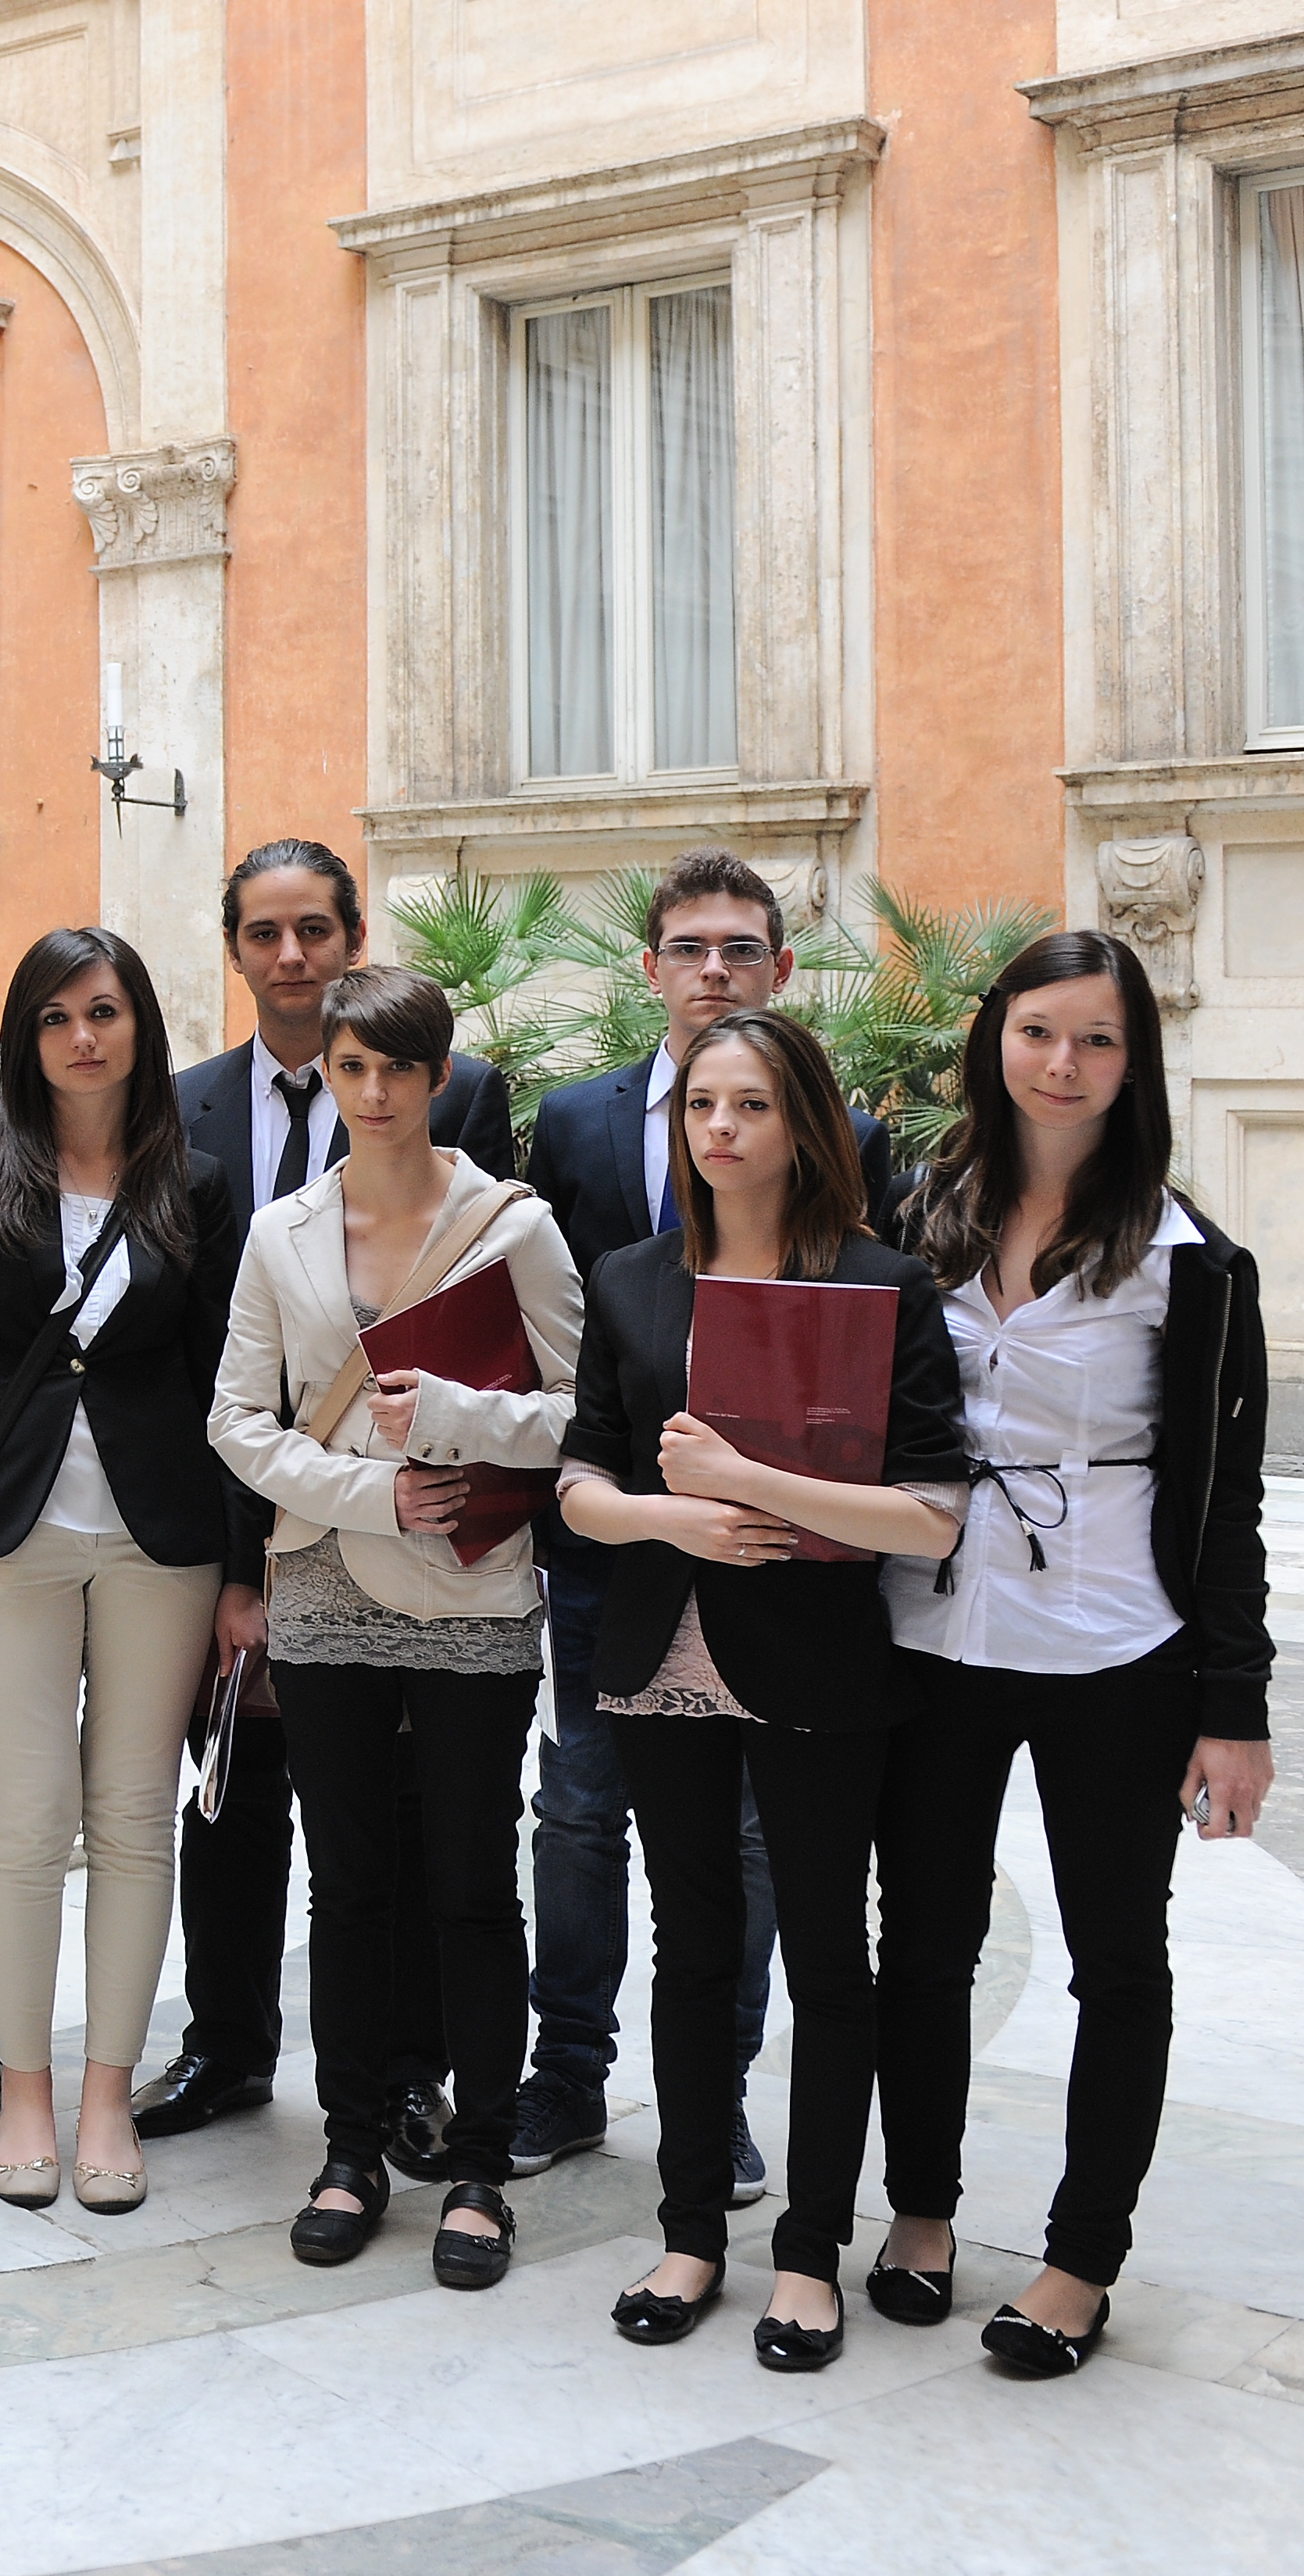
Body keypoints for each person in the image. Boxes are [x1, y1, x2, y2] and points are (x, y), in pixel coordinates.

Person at [871, 932, 1276, 2380]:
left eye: (1097, 1040)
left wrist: (1236, 1707)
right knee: (920, 1945)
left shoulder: (1192, 1261)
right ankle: (920, 2213)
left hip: (1122, 1640)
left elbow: (1230, 1497)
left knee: (1118, 1957)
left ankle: (1077, 2258)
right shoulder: (918, 1216)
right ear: (996, 1041)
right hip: (936, 1631)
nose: (1063, 1063)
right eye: (1040, 1030)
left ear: (1133, 1064)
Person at [561, 1007, 965, 2370]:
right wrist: (674, 1521)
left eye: (748, 1107)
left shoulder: (879, 1282)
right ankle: (688, 2233)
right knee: (690, 1948)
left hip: (820, 1662)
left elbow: (931, 1513)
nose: (719, 1130)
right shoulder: (627, 1278)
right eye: (699, 1108)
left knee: (825, 1956)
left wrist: (750, 1487)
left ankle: (810, 2253)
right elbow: (580, 1487)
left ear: (804, 1125)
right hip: (662, 1645)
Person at [509, 847, 881, 2193]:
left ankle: (712, 2098)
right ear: (651, 966)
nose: (712, 971)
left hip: (775, 1557)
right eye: (688, 949)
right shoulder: (576, 1125)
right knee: (578, 1814)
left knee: (746, 1844)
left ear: (779, 968)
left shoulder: (850, 1138)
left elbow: (857, 1361)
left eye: (740, 950)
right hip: (614, 1541)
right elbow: (560, 1342)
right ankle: (565, 2077)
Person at [209, 965, 581, 2288]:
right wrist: (376, 1492)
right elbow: (236, 1422)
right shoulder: (280, 1234)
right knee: (350, 1888)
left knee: (474, 1889)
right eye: (353, 1069)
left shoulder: (511, 1226)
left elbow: (580, 1414)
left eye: (398, 1071)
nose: (372, 1094)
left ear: (437, 1079)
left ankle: (480, 2161)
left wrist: (458, 1420)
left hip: (476, 1590)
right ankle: (352, 2148)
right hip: (326, 1583)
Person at [149, 839, 511, 2151]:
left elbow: (491, 1335)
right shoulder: (177, 1108)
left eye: (315, 930)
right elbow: (203, 1359)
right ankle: (227, 2050)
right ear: (236, 949)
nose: (290, 956)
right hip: (239, 1508)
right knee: (233, 1797)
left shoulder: (461, 1095)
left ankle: (409, 2068)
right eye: (264, 933)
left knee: (402, 1823)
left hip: (413, 1522)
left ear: (353, 938)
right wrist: (235, 1571)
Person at [0, 928, 242, 2213]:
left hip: (165, 1541)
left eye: (104, 1010)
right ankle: (22, 2088)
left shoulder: (194, 1183)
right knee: (23, 1824)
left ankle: (109, 2093)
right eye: (54, 1016)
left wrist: (244, 1571)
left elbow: (227, 1382)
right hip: (11, 1541)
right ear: (27, 1039)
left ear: (140, 1025)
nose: (82, 1036)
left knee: (136, 1821)